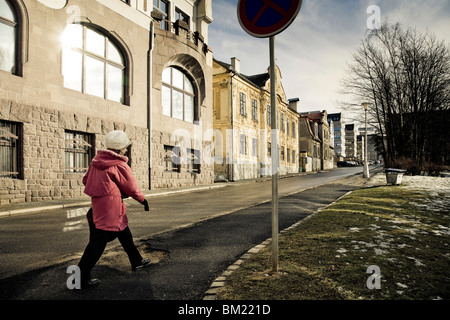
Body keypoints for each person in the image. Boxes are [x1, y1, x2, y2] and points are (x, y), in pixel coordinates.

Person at [77, 130, 150, 289]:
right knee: (98, 243)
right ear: (120, 148)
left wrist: (104, 188)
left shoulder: (96, 161)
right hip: (111, 206)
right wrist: (142, 200)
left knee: (124, 232)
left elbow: (85, 180)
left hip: (99, 204)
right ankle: (80, 278)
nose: (126, 150)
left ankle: (136, 260)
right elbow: (131, 187)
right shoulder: (119, 164)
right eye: (125, 147)